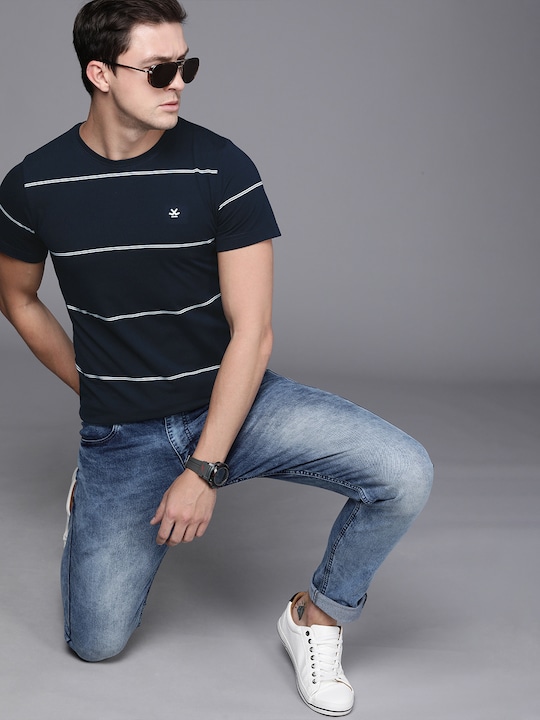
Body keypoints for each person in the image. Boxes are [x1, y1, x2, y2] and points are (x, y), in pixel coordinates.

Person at [0, 0, 433, 715]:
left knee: (405, 473)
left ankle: (316, 618)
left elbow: (252, 331)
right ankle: (92, 497)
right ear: (100, 74)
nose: (178, 83)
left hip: (239, 404)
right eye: (159, 70)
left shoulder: (221, 165)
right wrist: (92, 385)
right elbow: (17, 298)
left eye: (186, 66)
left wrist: (203, 469)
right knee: (96, 643)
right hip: (123, 434)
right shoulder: (33, 185)